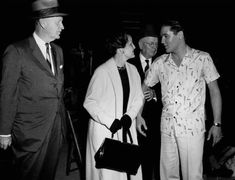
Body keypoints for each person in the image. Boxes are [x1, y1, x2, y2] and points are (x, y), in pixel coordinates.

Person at [142, 20, 223, 180]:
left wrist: (217, 123)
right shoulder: (160, 62)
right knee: (167, 176)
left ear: (180, 35)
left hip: (192, 129)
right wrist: (138, 115)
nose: (162, 41)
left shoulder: (202, 58)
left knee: (192, 176)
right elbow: (143, 88)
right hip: (167, 129)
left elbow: (214, 91)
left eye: (166, 36)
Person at [0, 0, 67, 179]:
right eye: (58, 22)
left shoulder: (58, 51)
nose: (63, 26)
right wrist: (4, 131)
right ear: (43, 22)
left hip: (54, 128)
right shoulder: (16, 51)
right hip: (29, 132)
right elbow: (8, 94)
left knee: (48, 174)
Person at [83, 31, 144, 180]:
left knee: (128, 170)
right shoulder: (102, 71)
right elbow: (89, 102)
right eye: (131, 44)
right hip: (105, 130)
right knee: (109, 173)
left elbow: (138, 97)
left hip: (125, 127)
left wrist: (129, 116)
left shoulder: (133, 70)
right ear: (121, 49)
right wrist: (110, 121)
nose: (135, 46)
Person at [128, 23, 161, 180]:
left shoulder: (162, 63)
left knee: (155, 160)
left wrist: (155, 94)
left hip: (156, 121)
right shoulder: (130, 63)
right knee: (136, 160)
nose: (154, 47)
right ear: (140, 44)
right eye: (150, 43)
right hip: (135, 117)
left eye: (156, 43)